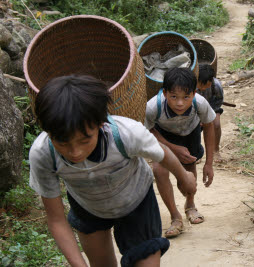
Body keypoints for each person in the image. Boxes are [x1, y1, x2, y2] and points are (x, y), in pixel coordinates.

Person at [29, 75, 197, 267]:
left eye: (85, 140)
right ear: (47, 131)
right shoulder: (42, 154)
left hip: (136, 200)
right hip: (88, 206)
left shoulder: (127, 134)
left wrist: (184, 177)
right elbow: (56, 220)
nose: (75, 152)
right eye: (62, 142)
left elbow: (162, 153)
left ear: (101, 123)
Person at [145, 67, 216, 238]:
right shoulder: (153, 106)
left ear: (194, 93)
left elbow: (209, 126)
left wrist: (209, 164)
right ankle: (175, 216)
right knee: (159, 170)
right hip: (162, 135)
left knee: (188, 170)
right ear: (165, 93)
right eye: (173, 97)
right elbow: (148, 130)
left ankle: (190, 204)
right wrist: (173, 148)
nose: (179, 103)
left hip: (189, 133)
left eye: (186, 97)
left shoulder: (200, 103)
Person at [196, 64, 224, 162]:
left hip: (212, 108)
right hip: (195, 111)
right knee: (194, 127)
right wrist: (199, 118)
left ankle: (215, 150)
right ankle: (195, 152)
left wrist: (208, 116)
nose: (203, 87)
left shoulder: (216, 85)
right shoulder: (190, 85)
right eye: (201, 84)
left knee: (216, 124)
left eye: (206, 84)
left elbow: (218, 101)